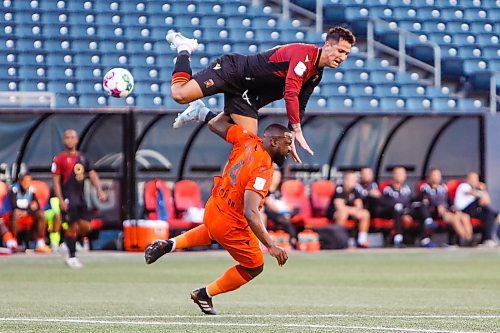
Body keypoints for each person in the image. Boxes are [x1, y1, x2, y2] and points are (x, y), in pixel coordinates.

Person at [145, 113, 291, 315]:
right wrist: (271, 245)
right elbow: (250, 212)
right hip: (231, 223)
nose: (289, 150)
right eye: (287, 144)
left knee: (213, 230)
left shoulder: (246, 138)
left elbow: (215, 124)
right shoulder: (264, 167)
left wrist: (216, 112)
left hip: (214, 207)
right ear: (273, 141)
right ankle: (205, 293)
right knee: (255, 265)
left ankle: (170, 244)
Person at [166, 26, 355, 163]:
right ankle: (184, 48)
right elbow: (291, 92)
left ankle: (201, 113)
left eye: (347, 54)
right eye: (340, 51)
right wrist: (296, 130)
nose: (343, 57)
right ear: (327, 45)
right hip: (231, 71)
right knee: (179, 94)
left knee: (248, 145)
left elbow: (300, 102)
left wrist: (290, 134)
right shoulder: (303, 55)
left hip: (246, 94)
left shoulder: (316, 74)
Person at [52, 129, 107, 268]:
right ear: (64, 140)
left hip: (80, 198)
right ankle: (71, 257)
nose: (69, 140)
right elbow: (56, 181)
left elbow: (92, 174)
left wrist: (99, 190)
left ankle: (68, 242)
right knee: (72, 226)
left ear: (76, 140)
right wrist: (60, 199)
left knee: (86, 227)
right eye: (67, 137)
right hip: (68, 198)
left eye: (72, 137)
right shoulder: (59, 159)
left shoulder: (82, 158)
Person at [383, 166, 435, 247]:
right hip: (394, 213)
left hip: (407, 211)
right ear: (393, 175)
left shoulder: (406, 188)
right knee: (397, 208)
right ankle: (398, 238)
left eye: (403, 174)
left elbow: (411, 201)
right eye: (398, 174)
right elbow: (386, 203)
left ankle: (425, 236)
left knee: (421, 207)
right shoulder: (388, 189)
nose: (401, 176)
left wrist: (421, 198)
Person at [419, 168, 473, 245]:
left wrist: (453, 207)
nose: (436, 177)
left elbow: (449, 201)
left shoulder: (443, 188)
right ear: (429, 177)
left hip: (447, 210)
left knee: (465, 216)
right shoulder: (425, 188)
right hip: (436, 211)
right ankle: (464, 238)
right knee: (455, 219)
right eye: (434, 175)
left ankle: (469, 237)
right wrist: (438, 207)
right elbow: (425, 202)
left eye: (438, 175)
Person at [4, 173, 50, 253]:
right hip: (14, 218)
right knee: (16, 213)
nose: (27, 184)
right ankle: (14, 241)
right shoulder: (14, 189)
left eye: (29, 181)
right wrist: (28, 209)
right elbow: (14, 206)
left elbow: (36, 206)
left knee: (41, 214)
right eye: (25, 181)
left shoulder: (31, 190)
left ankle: (40, 242)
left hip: (27, 215)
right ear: (20, 181)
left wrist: (27, 211)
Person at [326, 171, 370, 248]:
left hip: (350, 213)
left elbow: (359, 205)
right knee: (343, 213)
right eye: (351, 179)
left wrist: (355, 211)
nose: (353, 182)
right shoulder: (339, 189)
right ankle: (340, 239)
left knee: (365, 213)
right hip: (335, 213)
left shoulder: (355, 190)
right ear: (345, 180)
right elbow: (339, 206)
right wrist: (353, 210)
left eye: (354, 179)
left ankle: (362, 240)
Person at [454, 172, 498, 246]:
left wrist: (483, 191)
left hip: (473, 210)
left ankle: (487, 239)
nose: (475, 181)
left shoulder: (476, 189)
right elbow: (470, 193)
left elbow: (487, 201)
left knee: (491, 214)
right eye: (473, 179)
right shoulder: (464, 185)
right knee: (479, 200)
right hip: (463, 210)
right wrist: (482, 191)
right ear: (468, 179)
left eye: (476, 179)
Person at [263, 168, 298, 246]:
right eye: (275, 176)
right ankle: (293, 239)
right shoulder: (267, 189)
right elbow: (269, 204)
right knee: (284, 219)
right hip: (271, 212)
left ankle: (288, 215)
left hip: (281, 211)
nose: (277, 179)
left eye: (278, 176)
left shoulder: (278, 190)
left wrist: (289, 208)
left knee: (296, 209)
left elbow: (283, 201)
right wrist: (281, 212)